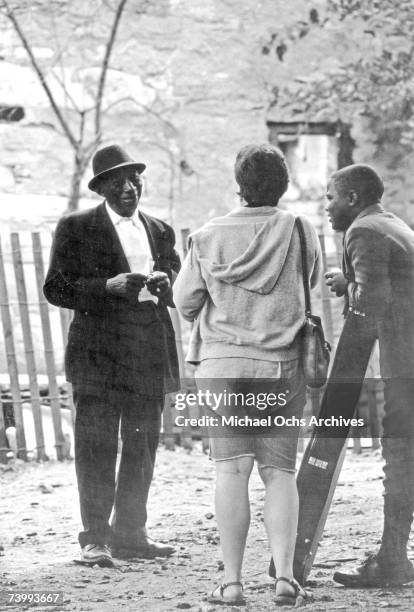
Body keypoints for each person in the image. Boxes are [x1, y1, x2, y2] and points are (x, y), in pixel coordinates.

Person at [174, 144, 320, 605]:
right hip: (281, 365)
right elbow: (309, 281)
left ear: (239, 185)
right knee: (279, 473)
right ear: (283, 184)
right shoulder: (299, 229)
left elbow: (185, 303)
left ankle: (232, 583)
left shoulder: (206, 236)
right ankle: (283, 579)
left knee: (231, 473)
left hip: (221, 367)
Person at [44, 144, 180, 566]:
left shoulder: (160, 229)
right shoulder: (76, 227)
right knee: (97, 445)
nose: (128, 187)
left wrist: (164, 282)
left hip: (147, 351)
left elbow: (178, 277)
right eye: (117, 181)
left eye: (134, 178)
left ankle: (131, 534)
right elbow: (56, 288)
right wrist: (107, 286)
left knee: (142, 445)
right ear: (101, 188)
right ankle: (96, 538)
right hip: (98, 356)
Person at [324, 164, 414, 587]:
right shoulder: (393, 223)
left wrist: (348, 284)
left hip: (406, 367)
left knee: (399, 459)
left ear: (352, 198)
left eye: (331, 197)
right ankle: (393, 556)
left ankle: (393, 562)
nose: (327, 206)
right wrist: (351, 282)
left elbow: (372, 302)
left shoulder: (363, 231)